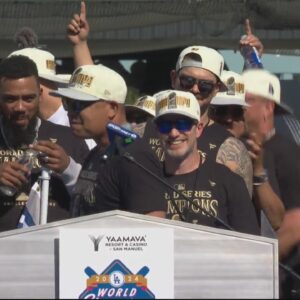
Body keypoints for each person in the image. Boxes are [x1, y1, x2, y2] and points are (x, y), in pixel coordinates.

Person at [79, 90, 260, 235]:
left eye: (182, 125)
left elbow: (251, 243)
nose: (174, 133)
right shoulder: (144, 177)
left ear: (198, 129)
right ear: (157, 130)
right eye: (165, 125)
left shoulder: (227, 180)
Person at [0, 55, 89, 231]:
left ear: (40, 95)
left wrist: (68, 169)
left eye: (28, 98)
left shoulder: (70, 138)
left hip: (56, 251)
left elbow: (94, 201)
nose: (20, 107)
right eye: (10, 99)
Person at [241, 68, 300, 298]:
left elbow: (296, 223)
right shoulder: (237, 147)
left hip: (275, 284)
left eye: (246, 101)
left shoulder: (288, 153)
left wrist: (256, 264)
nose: (238, 109)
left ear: (268, 107)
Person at [53, 64, 137, 217]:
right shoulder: (95, 154)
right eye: (67, 103)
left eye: (78, 104)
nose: (70, 113)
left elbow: (152, 226)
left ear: (112, 108)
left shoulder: (133, 156)